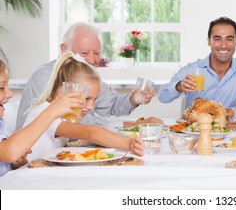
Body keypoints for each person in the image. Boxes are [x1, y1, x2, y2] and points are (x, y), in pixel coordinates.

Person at [15, 22, 162, 131]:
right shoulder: (45, 76)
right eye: (85, 53)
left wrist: (133, 99)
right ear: (64, 49)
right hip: (29, 155)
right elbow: (84, 124)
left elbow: (111, 105)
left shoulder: (87, 75)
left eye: (97, 53)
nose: (92, 60)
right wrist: (132, 125)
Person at [23, 51, 144, 160]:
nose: (91, 106)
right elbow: (90, 132)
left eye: (94, 99)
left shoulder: (64, 116)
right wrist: (128, 143)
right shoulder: (46, 114)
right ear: (62, 92)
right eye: (86, 99)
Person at [158, 16, 236, 119]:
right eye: (217, 39)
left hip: (231, 133)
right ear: (209, 41)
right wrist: (179, 86)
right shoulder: (193, 69)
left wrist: (225, 113)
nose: (223, 45)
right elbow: (162, 96)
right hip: (195, 132)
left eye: (229, 39)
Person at [0, 58, 84, 176]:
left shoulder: (1, 123)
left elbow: (10, 161)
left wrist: (17, 161)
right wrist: (53, 110)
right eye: (1, 88)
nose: (10, 94)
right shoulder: (43, 111)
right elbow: (10, 152)